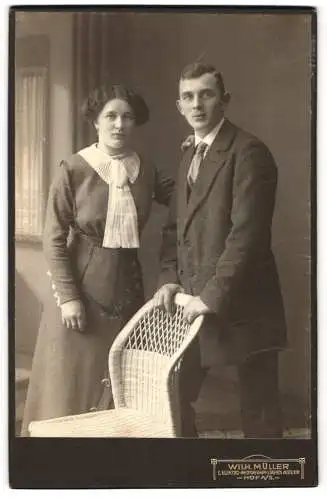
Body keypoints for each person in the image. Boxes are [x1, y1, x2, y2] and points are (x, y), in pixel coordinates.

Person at [21, 83, 174, 436]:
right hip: (81, 287)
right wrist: (70, 297)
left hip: (127, 287)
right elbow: (53, 238)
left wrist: (194, 153)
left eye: (127, 117)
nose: (119, 124)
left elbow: (186, 196)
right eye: (111, 116)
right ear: (96, 122)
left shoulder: (145, 169)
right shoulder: (74, 168)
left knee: (120, 376)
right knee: (72, 381)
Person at [154, 62, 287, 438]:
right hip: (194, 304)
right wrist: (168, 280)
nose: (197, 104)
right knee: (172, 396)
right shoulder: (188, 156)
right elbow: (174, 230)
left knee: (259, 413)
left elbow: (247, 235)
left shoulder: (249, 153)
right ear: (179, 105)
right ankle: (190, 477)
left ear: (224, 100)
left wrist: (209, 297)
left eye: (206, 94)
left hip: (245, 307)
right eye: (188, 97)